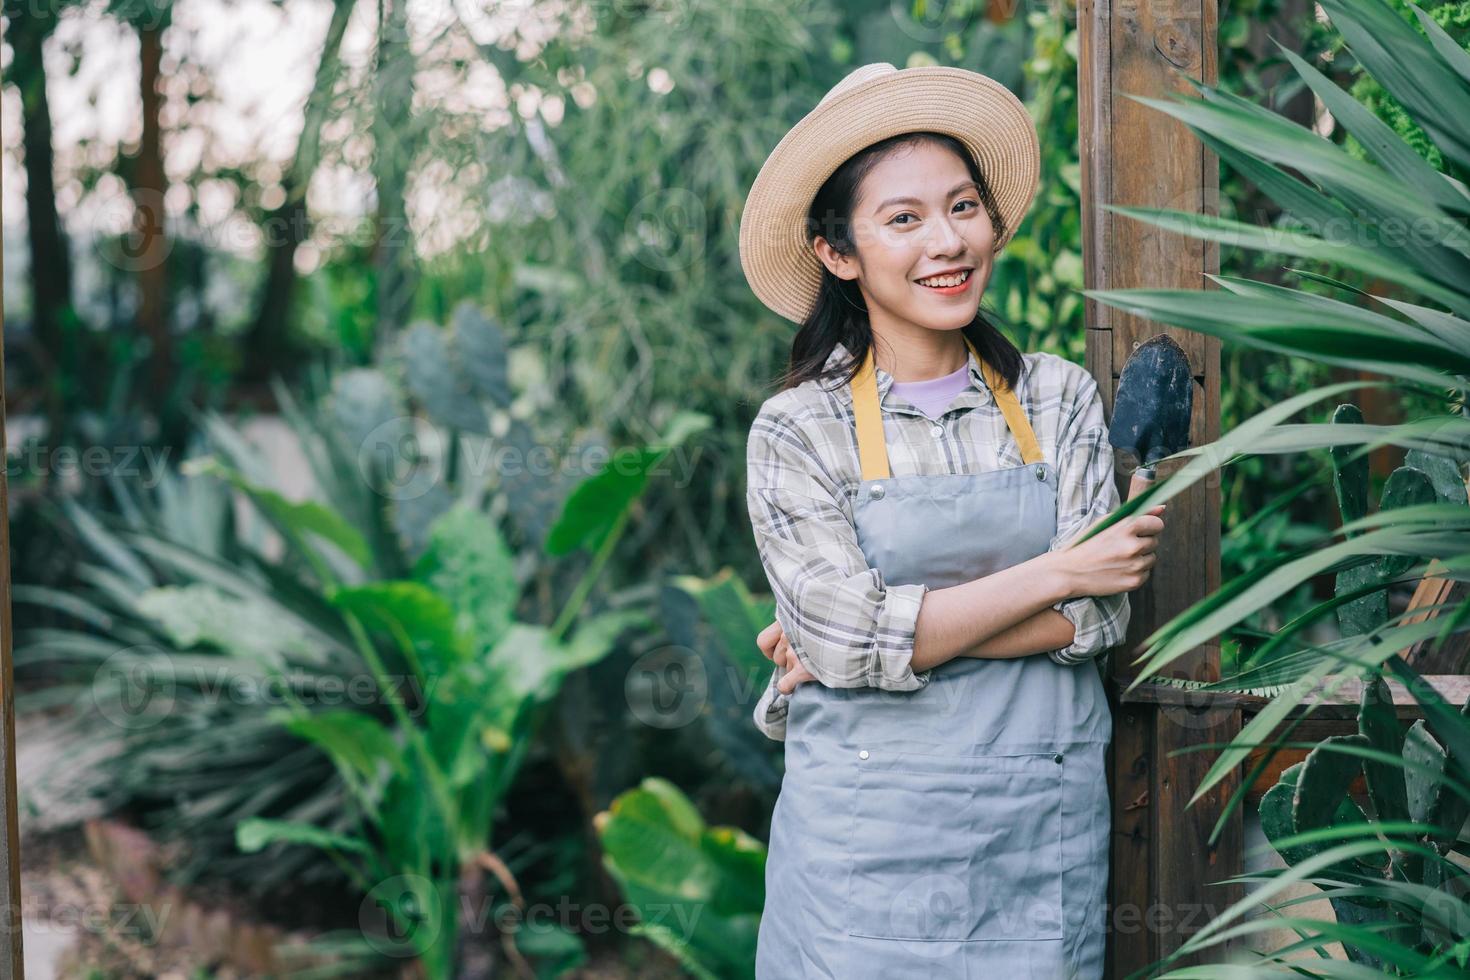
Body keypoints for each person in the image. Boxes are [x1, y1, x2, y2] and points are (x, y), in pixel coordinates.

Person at [736, 62, 1166, 978]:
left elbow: (1098, 620)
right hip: (861, 867)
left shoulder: (1056, 398)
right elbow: (854, 639)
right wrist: (1055, 573)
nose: (946, 240)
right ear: (837, 253)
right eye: (903, 219)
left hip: (1035, 845)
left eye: (963, 206)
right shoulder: (798, 430)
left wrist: (897, 634)